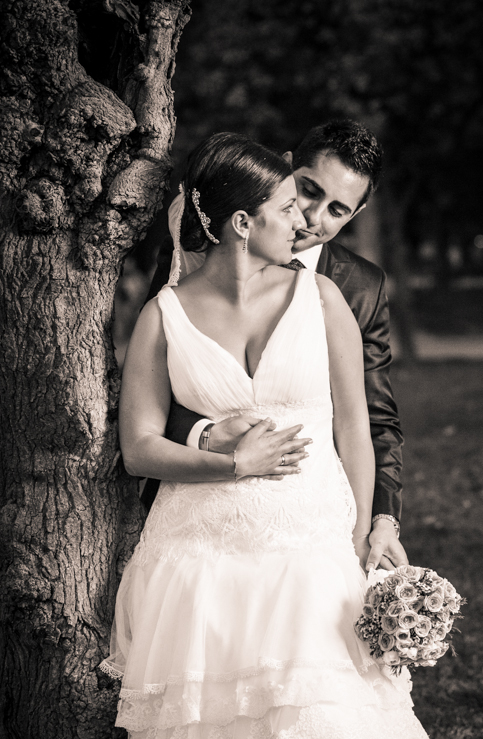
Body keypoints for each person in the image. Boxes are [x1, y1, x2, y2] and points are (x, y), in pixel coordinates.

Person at [102, 132, 483, 739]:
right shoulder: (164, 312)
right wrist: (225, 457)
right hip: (203, 546)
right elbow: (138, 444)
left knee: (325, 715)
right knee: (221, 735)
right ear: (242, 221)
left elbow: (360, 430)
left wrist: (370, 532)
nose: (304, 218)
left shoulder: (331, 294)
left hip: (310, 533)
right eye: (289, 202)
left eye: (328, 208)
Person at [143, 120, 406, 573]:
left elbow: (372, 418)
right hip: (202, 520)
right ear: (284, 169)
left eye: (338, 210)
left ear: (355, 215)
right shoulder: (196, 255)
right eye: (308, 190)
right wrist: (205, 435)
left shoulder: (358, 288)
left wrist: (379, 520)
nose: (313, 218)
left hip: (311, 526)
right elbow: (168, 373)